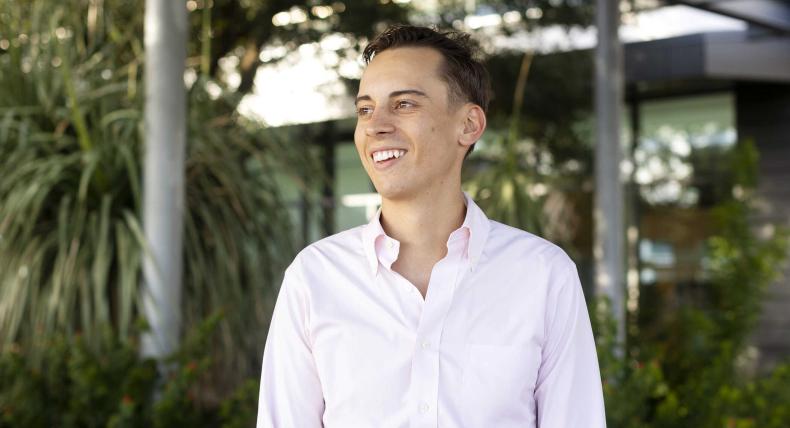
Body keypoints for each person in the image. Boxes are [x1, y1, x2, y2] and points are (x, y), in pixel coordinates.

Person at [256, 25, 606, 428]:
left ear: (469, 125)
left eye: (404, 104)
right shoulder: (314, 277)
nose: (375, 126)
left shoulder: (543, 275)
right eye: (365, 109)